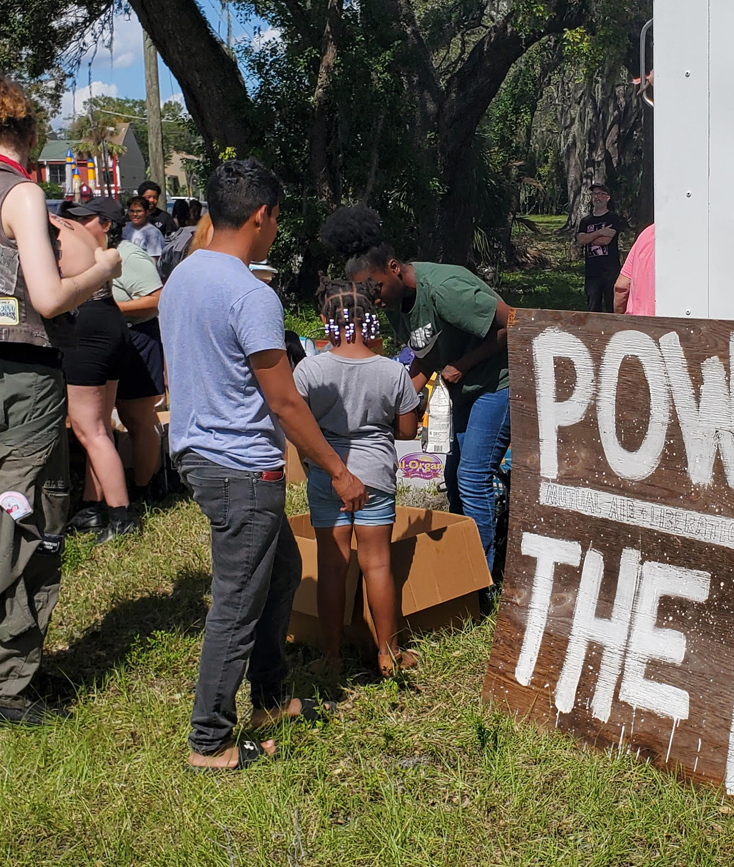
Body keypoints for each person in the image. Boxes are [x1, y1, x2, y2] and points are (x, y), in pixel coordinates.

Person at [163, 158, 364, 771]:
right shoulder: (251, 293)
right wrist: (336, 467)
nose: (276, 228)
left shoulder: (182, 276)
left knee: (281, 572)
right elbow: (284, 399)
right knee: (237, 601)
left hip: (198, 454)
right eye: (276, 218)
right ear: (262, 215)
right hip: (243, 470)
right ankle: (210, 740)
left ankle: (270, 698)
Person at [0, 73, 122, 727]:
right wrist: (102, 270)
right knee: (30, 521)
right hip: (26, 375)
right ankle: (7, 689)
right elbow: (48, 299)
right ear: (29, 133)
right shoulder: (19, 192)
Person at [323, 204, 514, 575]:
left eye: (375, 287)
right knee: (455, 477)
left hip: (499, 382)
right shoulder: (394, 303)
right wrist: (396, 403)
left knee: (474, 477)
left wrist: (463, 365)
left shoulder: (444, 289)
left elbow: (515, 324)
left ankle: (483, 580)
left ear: (394, 267)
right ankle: (465, 562)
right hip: (466, 387)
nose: (373, 298)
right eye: (366, 292)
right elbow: (425, 353)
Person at [294, 279, 422, 676]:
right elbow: (407, 431)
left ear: (324, 321)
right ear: (370, 321)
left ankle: (331, 657)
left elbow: (299, 426)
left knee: (332, 566)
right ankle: (388, 654)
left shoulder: (309, 369)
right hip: (376, 477)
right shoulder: (392, 372)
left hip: (326, 477)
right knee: (378, 566)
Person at [59, 196, 154, 539]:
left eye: (86, 219)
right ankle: (91, 507)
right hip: (106, 324)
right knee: (99, 426)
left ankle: (121, 518)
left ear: (106, 225)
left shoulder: (111, 253)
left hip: (91, 330)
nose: (76, 225)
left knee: (89, 429)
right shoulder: (98, 252)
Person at [109, 216, 167, 500]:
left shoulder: (129, 257)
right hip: (109, 340)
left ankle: (146, 488)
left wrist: (112, 309)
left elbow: (157, 299)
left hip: (138, 338)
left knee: (138, 418)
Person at [573, 183, 626, 313]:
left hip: (610, 271)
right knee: (592, 307)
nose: (597, 197)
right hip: (592, 272)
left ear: (607, 198)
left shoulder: (613, 218)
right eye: (595, 194)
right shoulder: (586, 221)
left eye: (601, 194)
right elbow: (581, 240)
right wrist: (600, 232)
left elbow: (605, 241)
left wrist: (589, 237)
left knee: (611, 307)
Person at [616, 223, 656, 315]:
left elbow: (621, 286)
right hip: (679, 324)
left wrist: (619, 318)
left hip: (637, 323)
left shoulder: (647, 233)